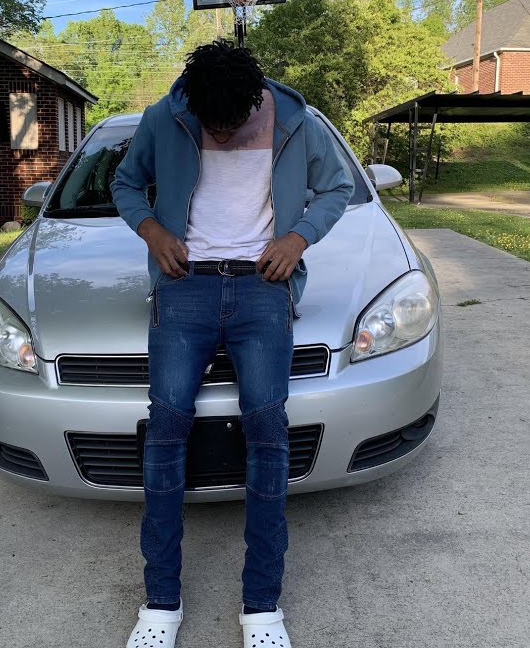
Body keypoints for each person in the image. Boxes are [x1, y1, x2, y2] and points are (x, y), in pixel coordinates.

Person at [110, 39, 355, 648]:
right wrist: (152, 231)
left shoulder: (295, 121)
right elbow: (125, 182)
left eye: (230, 124)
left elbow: (337, 187)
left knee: (268, 435)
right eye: (208, 124)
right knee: (165, 431)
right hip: (184, 286)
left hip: (262, 288)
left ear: (255, 100)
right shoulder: (165, 117)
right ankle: (160, 604)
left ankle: (262, 608)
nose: (218, 134)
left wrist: (297, 238)